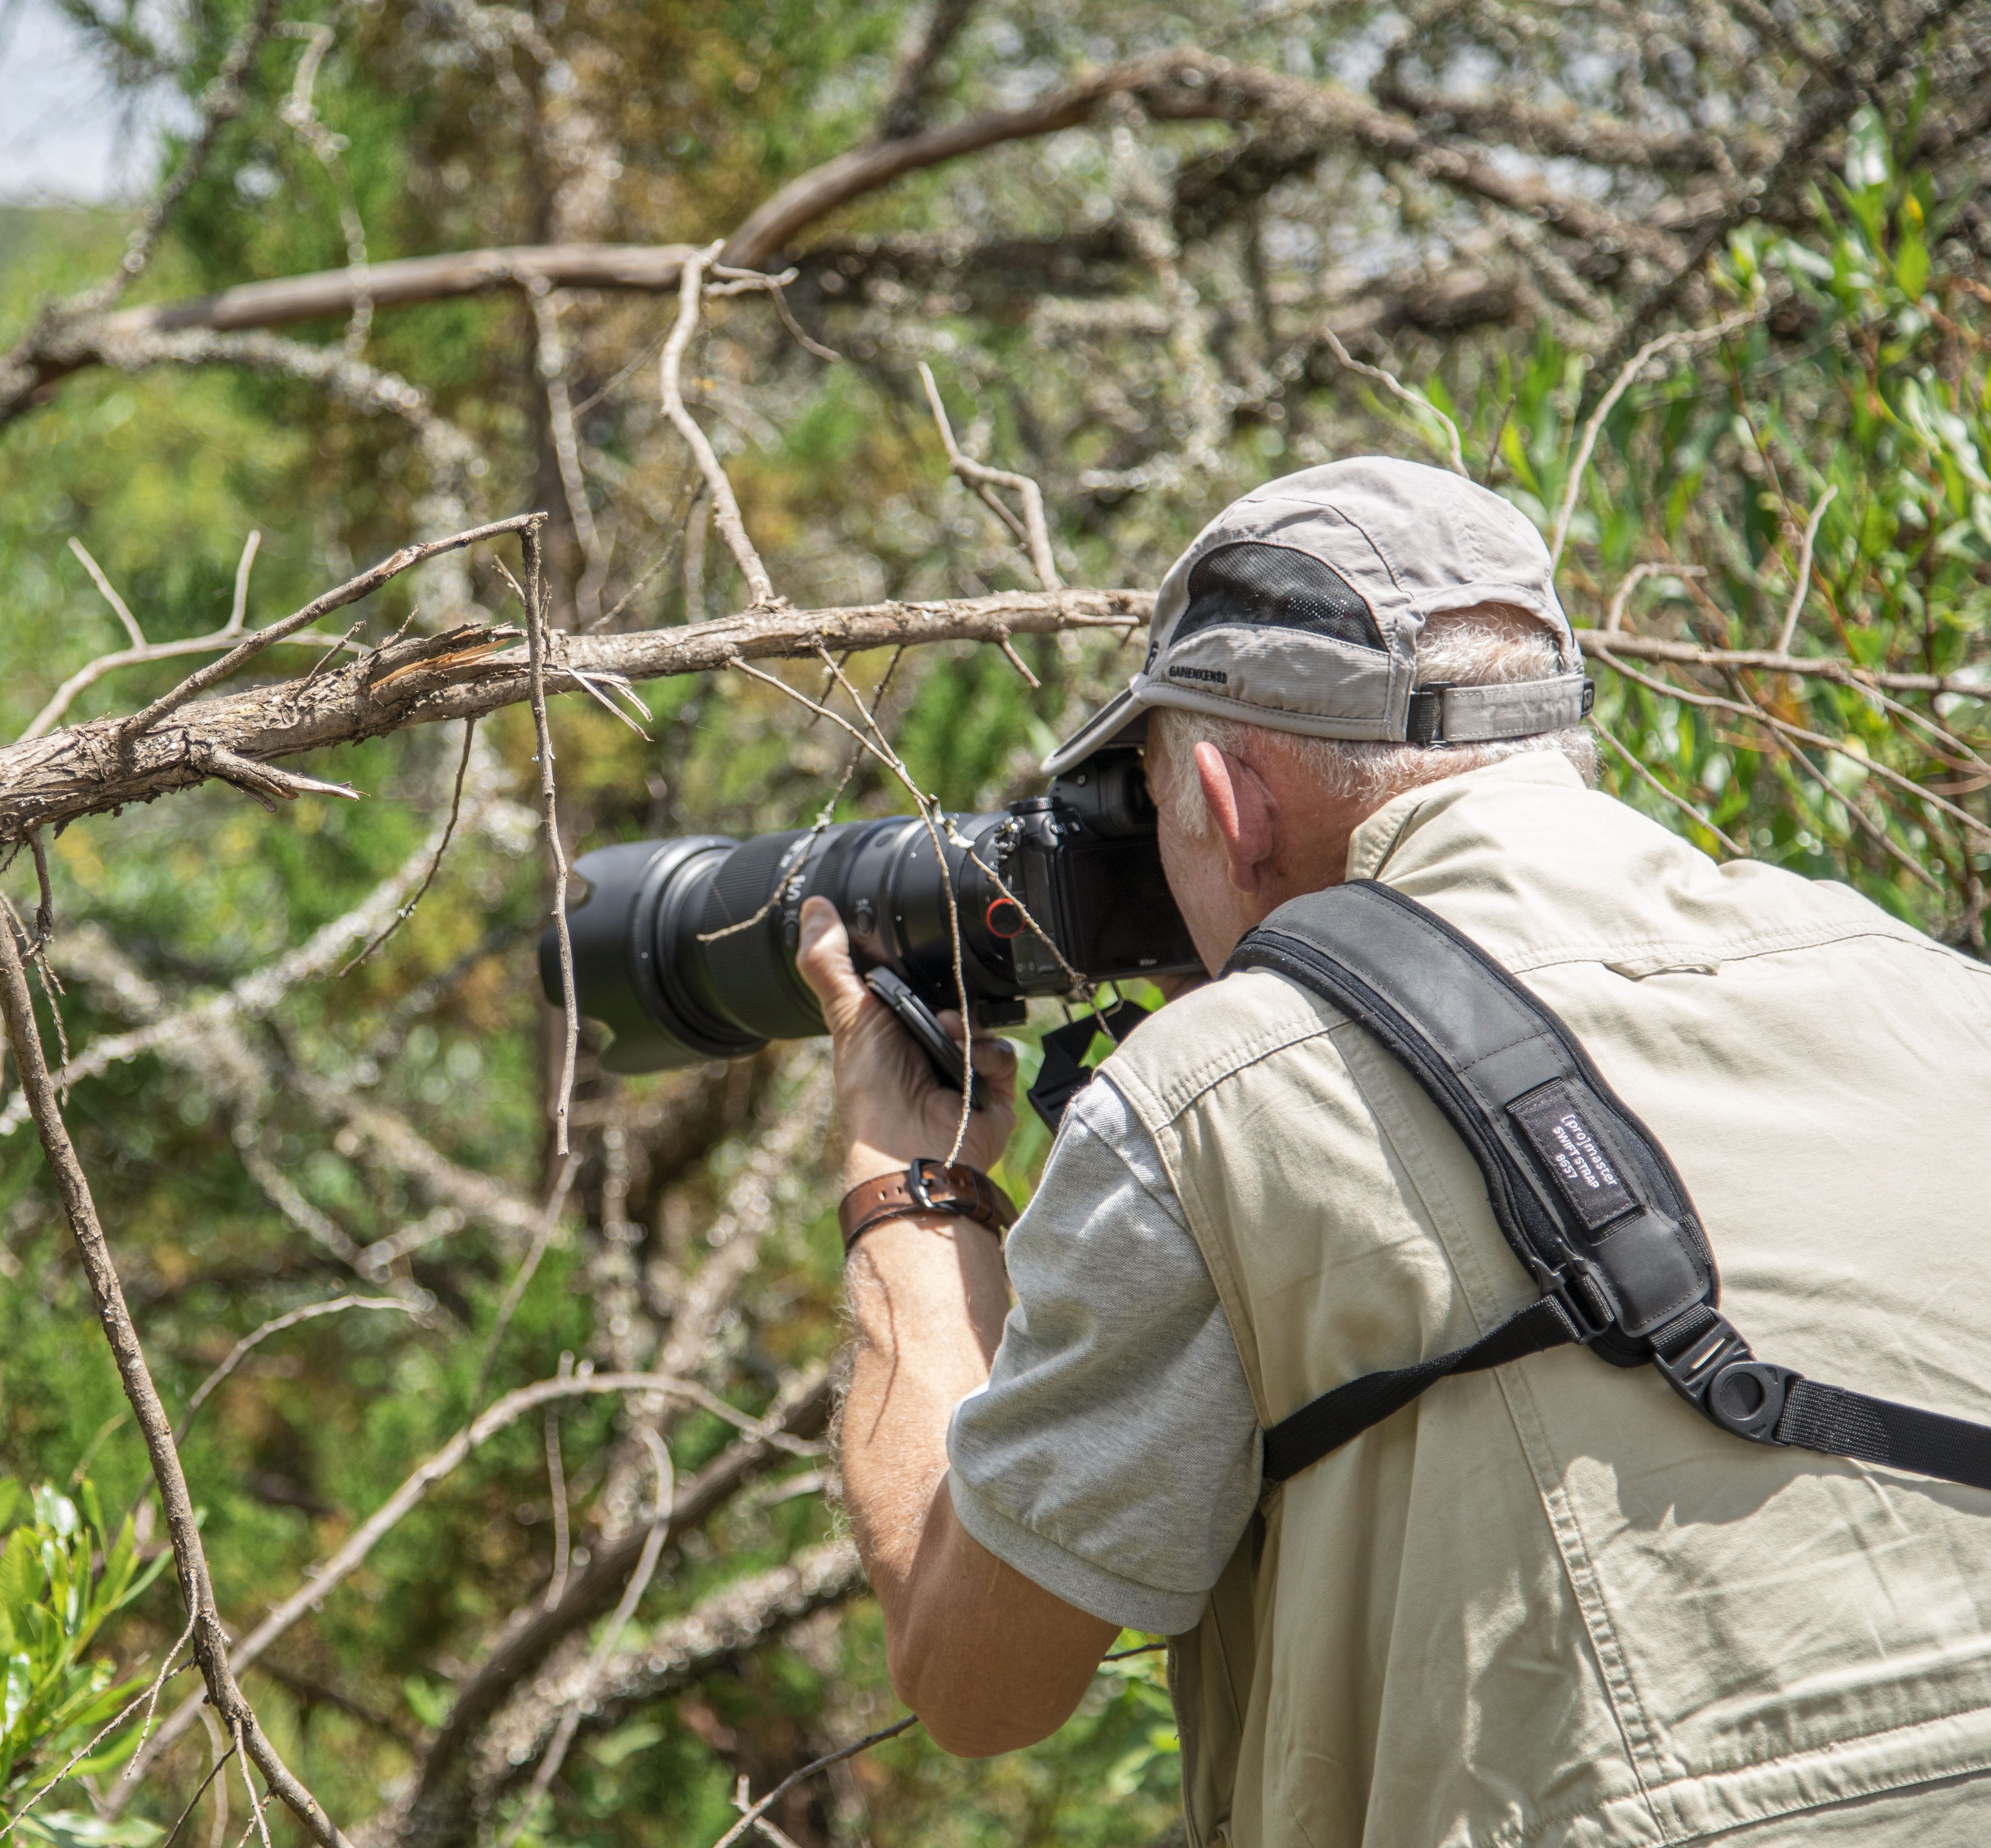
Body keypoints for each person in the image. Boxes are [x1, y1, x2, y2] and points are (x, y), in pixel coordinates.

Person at [796, 457, 1991, 1847]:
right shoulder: (1931, 989)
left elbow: (975, 1678)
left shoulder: (1218, 1098)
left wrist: (910, 1189)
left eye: (1154, 807)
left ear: (1231, 808)